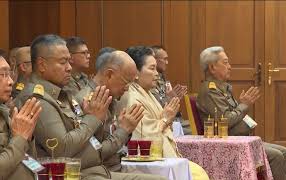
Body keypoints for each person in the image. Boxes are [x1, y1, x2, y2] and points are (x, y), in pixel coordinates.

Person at [15, 34, 113, 179]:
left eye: (69, 62)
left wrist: (94, 118)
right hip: (76, 175)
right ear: (42, 65)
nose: (69, 68)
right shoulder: (36, 99)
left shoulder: (61, 93)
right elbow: (62, 149)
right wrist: (92, 118)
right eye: (63, 62)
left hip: (95, 170)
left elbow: (92, 141)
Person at [196, 46, 286, 180]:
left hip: (241, 140)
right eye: (225, 62)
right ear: (212, 68)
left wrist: (242, 106)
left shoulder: (222, 88)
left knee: (285, 152)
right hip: (228, 144)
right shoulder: (210, 91)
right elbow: (226, 120)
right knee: (277, 156)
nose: (230, 66)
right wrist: (244, 105)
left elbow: (234, 115)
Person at [117, 46, 210, 180]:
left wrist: (167, 120)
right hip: (149, 164)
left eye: (156, 68)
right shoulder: (132, 97)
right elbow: (144, 137)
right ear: (135, 72)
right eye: (151, 68)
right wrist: (165, 119)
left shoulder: (146, 93)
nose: (157, 74)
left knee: (198, 172)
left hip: (162, 159)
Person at [76, 50, 166, 180]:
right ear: (110, 74)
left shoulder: (110, 98)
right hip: (95, 173)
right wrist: (123, 130)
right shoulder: (87, 102)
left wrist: (123, 129)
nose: (128, 88)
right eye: (126, 82)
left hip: (113, 167)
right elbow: (95, 152)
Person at [0, 54, 42, 179]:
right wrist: (20, 137)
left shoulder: (6, 111)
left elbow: (29, 159)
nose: (11, 82)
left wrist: (26, 137)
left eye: (10, 74)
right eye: (3, 75)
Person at [151, 45, 190, 135]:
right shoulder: (149, 81)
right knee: (195, 130)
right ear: (155, 60)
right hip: (161, 123)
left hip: (173, 119)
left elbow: (168, 99)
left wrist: (174, 99)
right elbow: (156, 105)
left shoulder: (162, 78)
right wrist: (169, 99)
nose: (167, 62)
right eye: (164, 59)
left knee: (195, 126)